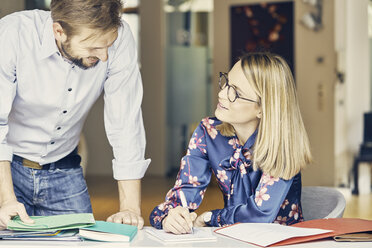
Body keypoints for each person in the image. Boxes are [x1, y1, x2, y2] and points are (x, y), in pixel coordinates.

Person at [0, 0, 150, 230]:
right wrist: (7, 199)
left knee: (83, 241)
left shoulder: (120, 38)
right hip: (7, 168)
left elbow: (126, 123)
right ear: (58, 31)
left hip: (64, 167)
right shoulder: (13, 34)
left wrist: (129, 208)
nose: (104, 57)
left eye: (107, 46)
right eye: (92, 48)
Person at [149, 52, 312, 234]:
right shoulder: (208, 132)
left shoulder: (281, 146)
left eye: (235, 92)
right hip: (232, 240)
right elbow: (182, 196)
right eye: (226, 83)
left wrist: (211, 218)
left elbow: (259, 216)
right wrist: (171, 216)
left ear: (263, 108)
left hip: (281, 242)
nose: (221, 94)